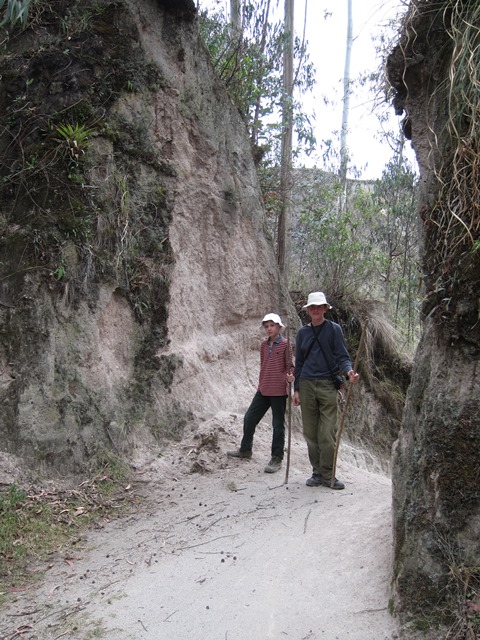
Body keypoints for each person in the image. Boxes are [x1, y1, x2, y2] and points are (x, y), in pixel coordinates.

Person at [293, 292, 359, 489]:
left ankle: (328, 475)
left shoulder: (334, 329)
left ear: (325, 309)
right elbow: (300, 363)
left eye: (319, 306)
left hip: (327, 385)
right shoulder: (302, 333)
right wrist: (296, 389)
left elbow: (342, 356)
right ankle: (316, 473)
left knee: (327, 433)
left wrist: (349, 372)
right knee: (310, 433)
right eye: (312, 307)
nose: (315, 310)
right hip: (306, 385)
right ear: (307, 310)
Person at [227, 313, 294, 474]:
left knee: (277, 425)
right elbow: (264, 364)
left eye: (272, 325)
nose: (269, 328)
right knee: (249, 418)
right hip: (263, 388)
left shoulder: (286, 344)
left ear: (279, 327)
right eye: (266, 326)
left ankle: (276, 458)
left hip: (278, 390)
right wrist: (261, 383)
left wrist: (291, 376)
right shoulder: (264, 346)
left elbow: (290, 365)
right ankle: (245, 450)